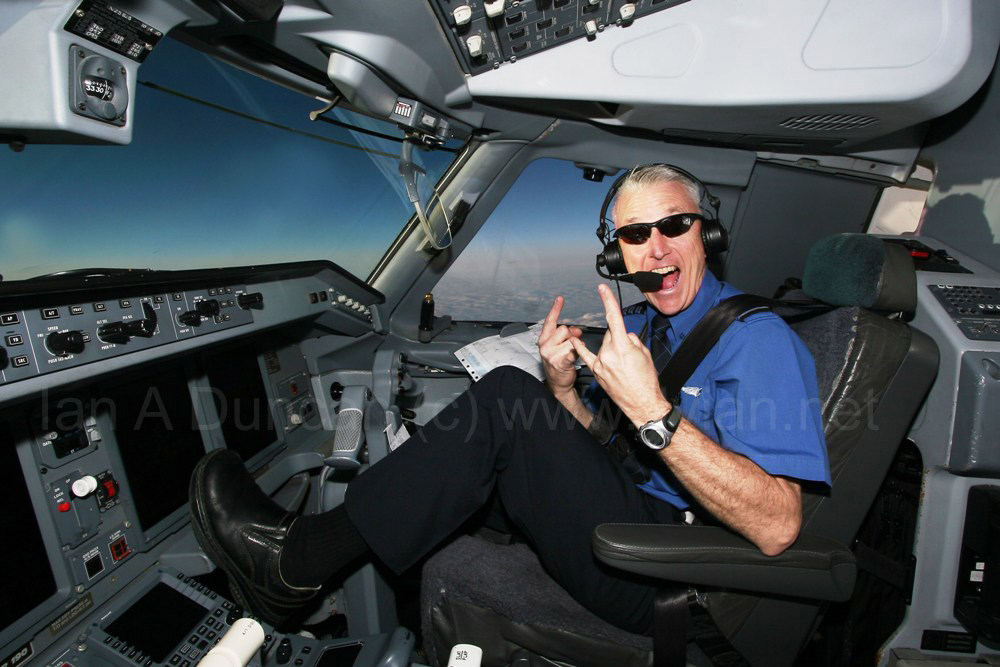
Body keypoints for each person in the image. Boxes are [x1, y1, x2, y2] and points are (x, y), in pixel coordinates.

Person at [189, 164, 830, 637]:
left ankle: (295, 564)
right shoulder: (638, 328)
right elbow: (605, 445)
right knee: (500, 420)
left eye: (674, 225)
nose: (656, 247)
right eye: (635, 235)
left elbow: (778, 526)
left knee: (500, 398)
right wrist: (559, 388)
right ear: (618, 255)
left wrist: (652, 414)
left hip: (671, 565)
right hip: (632, 505)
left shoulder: (754, 340)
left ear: (707, 235)